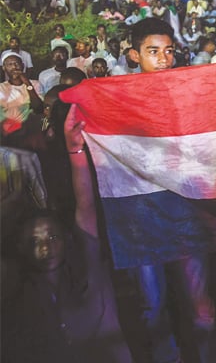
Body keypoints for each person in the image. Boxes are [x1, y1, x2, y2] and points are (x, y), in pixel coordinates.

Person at [1, 104, 133, 362]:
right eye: (33, 241)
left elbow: (85, 204)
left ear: (67, 237)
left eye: (52, 237)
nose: (45, 248)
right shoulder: (16, 290)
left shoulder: (88, 264)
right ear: (19, 247)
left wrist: (75, 150)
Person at [123, 18, 216, 362]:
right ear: (134, 55)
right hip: (141, 220)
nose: (163, 59)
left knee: (201, 309)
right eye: (153, 52)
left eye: (169, 51)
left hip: (184, 215)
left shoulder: (186, 95)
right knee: (153, 307)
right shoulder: (119, 100)